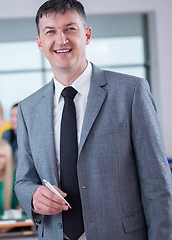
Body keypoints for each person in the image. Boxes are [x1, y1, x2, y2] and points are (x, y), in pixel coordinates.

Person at [14, 0, 172, 239]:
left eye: (70, 29)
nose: (61, 40)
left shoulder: (131, 92)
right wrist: (33, 197)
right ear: (39, 43)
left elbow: (158, 185)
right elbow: (23, 181)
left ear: (87, 35)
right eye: (50, 32)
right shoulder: (28, 108)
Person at [2, 103, 18, 168]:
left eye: (17, 116)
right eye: (11, 116)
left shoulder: (31, 138)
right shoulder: (6, 135)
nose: (13, 119)